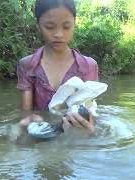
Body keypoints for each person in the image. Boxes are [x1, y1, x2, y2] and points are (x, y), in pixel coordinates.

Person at [16, 0, 98, 135]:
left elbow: (90, 111)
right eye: (49, 26)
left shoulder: (89, 65)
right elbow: (26, 112)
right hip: (41, 135)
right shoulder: (27, 65)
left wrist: (89, 131)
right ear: (38, 26)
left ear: (74, 24)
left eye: (66, 26)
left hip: (74, 137)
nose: (59, 34)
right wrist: (29, 120)